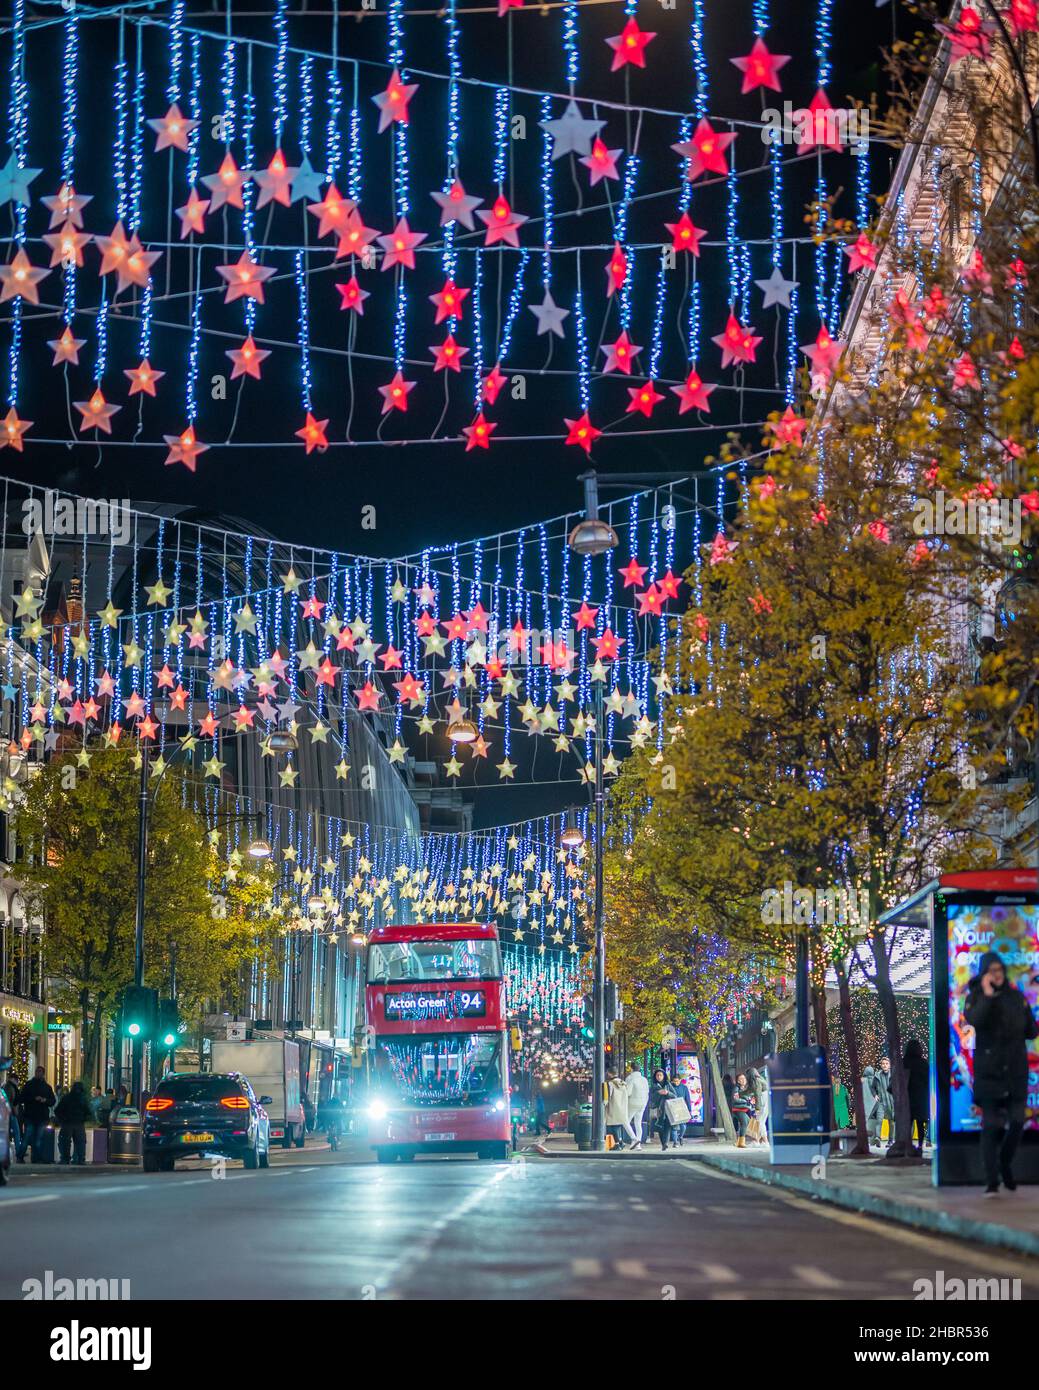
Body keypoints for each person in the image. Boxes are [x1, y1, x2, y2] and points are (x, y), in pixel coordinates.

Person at [964, 950, 1038, 1196]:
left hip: (1015, 1070)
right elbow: (973, 1020)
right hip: (989, 1072)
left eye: (999, 970)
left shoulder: (1016, 998)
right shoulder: (975, 997)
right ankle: (992, 1178)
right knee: (991, 1125)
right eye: (992, 971)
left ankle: (1005, 1162)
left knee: (1017, 1122)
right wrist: (987, 995)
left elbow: (1031, 1031)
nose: (997, 975)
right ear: (984, 974)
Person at [16, 1066, 55, 1163]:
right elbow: (22, 1098)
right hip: (34, 1115)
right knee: (33, 1138)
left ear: (43, 1073)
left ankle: (31, 1157)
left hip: (35, 1115)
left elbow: (52, 1101)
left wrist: (43, 1100)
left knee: (32, 1137)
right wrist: (38, 1099)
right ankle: (33, 1157)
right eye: (37, 1071)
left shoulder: (34, 1085)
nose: (38, 1073)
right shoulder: (42, 1086)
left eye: (40, 1072)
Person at [903, 1038, 930, 1156]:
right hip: (920, 1097)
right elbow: (928, 1080)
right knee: (920, 1123)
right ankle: (920, 1145)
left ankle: (907, 1145)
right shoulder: (923, 1063)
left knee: (907, 1122)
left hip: (907, 1096)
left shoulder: (904, 1062)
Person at [55, 1080, 91, 1165]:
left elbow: (58, 1110)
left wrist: (62, 1119)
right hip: (79, 1123)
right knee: (80, 1142)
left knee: (65, 1142)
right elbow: (88, 1112)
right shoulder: (82, 1099)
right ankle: (80, 1159)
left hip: (67, 1123)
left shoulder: (67, 1098)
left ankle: (65, 1159)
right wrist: (83, 1119)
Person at [605, 1069, 636, 1150]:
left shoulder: (610, 1084)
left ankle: (618, 1143)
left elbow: (608, 1096)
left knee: (611, 1126)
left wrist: (604, 1103)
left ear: (609, 1074)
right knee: (617, 1125)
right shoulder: (623, 1083)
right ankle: (620, 1142)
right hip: (622, 1107)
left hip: (613, 1106)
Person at [649, 1067, 677, 1151]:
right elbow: (651, 1098)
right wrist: (658, 1093)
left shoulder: (668, 1085)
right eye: (657, 1075)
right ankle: (663, 1143)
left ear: (664, 1076)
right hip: (658, 1110)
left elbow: (675, 1096)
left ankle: (665, 1143)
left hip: (668, 1109)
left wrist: (667, 1093)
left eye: (660, 1075)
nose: (659, 1077)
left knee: (668, 1127)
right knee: (660, 1127)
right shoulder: (654, 1086)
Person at [625, 1063, 649, 1149]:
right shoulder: (644, 1079)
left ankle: (634, 1138)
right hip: (643, 1103)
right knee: (638, 1123)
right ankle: (638, 1145)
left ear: (631, 1069)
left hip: (632, 1102)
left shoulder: (630, 1078)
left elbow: (628, 1092)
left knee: (625, 1121)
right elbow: (647, 1092)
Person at [873, 1057, 895, 1146]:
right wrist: (875, 1095)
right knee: (879, 1120)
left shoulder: (893, 1074)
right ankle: (878, 1138)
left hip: (891, 1102)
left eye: (886, 1063)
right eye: (883, 1064)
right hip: (881, 1101)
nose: (885, 1065)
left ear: (889, 1065)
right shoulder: (877, 1075)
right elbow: (872, 1087)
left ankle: (890, 1141)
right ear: (881, 1065)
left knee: (891, 1122)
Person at [730, 1072, 754, 1148]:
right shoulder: (736, 1088)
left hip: (744, 1108)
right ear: (738, 1081)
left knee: (746, 1123)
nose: (743, 1080)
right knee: (744, 1123)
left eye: (744, 1078)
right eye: (741, 1079)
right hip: (738, 1109)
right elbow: (736, 1099)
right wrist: (746, 1101)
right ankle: (741, 1143)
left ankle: (739, 1142)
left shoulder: (744, 1088)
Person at [861, 1065, 883, 1148]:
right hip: (875, 1104)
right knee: (875, 1121)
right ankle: (873, 1140)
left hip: (864, 1104)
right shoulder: (875, 1079)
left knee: (865, 1122)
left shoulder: (861, 1080)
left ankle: (865, 1140)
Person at [1, 1069, 20, 1160]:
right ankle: (18, 1151)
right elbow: (10, 1100)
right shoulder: (9, 1087)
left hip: (9, 1113)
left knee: (12, 1132)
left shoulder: (9, 1086)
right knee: (16, 1132)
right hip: (10, 1113)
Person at [747, 1066, 769, 1144]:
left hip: (762, 1102)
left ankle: (763, 1141)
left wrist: (757, 1108)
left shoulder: (756, 1081)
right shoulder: (761, 1079)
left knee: (759, 1121)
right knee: (760, 1121)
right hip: (766, 1102)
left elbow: (757, 1094)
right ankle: (759, 1141)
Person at [671, 1074, 694, 1147]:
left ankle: (680, 1136)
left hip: (682, 1108)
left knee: (683, 1126)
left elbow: (688, 1099)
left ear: (680, 1081)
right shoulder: (670, 1087)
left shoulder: (684, 1087)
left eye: (677, 1081)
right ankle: (675, 1142)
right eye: (674, 1081)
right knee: (674, 1126)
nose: (676, 1083)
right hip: (673, 1108)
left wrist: (689, 1110)